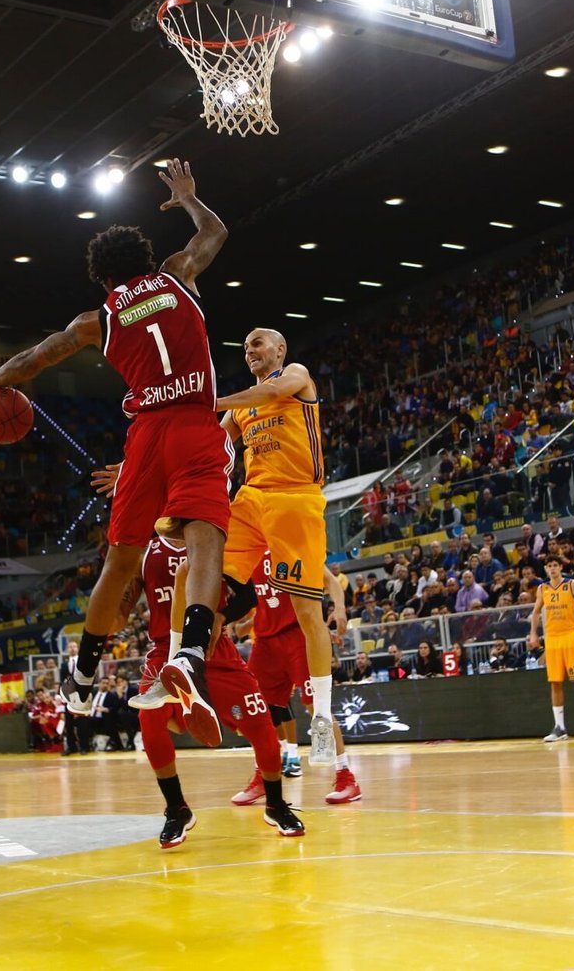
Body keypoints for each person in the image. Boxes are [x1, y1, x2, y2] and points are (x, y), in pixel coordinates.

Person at [0, 160, 233, 748]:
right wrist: (189, 198)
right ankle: (189, 654)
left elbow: (37, 357)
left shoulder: (98, 319)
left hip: (146, 436)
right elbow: (215, 234)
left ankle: (82, 674)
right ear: (144, 258)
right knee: (204, 536)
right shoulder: (178, 274)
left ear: (103, 279)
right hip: (194, 422)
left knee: (120, 561)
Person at [213, 328, 346, 765]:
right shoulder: (245, 408)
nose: (248, 350)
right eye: (244, 346)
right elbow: (211, 445)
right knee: (202, 577)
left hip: (296, 498)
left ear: (280, 349)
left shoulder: (296, 375)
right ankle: (185, 668)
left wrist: (215, 402)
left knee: (309, 613)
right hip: (253, 499)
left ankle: (322, 720)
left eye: (256, 343)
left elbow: (273, 393)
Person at [130, 535, 304, 847]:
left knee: (262, 724)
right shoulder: (144, 550)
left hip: (214, 647)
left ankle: (276, 804)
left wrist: (223, 615)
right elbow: (121, 603)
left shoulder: (214, 541)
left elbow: (249, 595)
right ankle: (177, 808)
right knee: (149, 722)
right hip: (164, 650)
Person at [231, 553, 362, 806]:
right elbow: (259, 600)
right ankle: (263, 775)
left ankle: (346, 776)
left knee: (317, 708)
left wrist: (340, 609)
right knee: (256, 708)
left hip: (299, 636)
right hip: (266, 641)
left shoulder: (290, 544)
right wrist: (238, 621)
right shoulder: (251, 548)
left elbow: (331, 581)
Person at [527, 555, 574, 741]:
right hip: (551, 639)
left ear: (560, 567)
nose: (552, 569)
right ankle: (560, 728)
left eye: (555, 565)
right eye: (549, 566)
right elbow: (535, 613)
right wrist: (534, 633)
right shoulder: (542, 588)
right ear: (545, 569)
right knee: (555, 683)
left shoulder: (572, 584)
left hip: (570, 637)